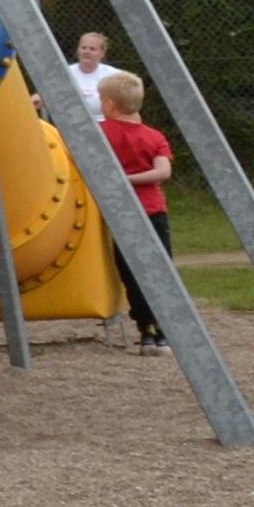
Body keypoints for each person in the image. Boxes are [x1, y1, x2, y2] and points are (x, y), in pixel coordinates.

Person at [97, 70, 179, 353]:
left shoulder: (100, 132)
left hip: (121, 212)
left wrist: (120, 180)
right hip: (154, 210)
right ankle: (166, 331)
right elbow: (162, 171)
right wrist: (135, 178)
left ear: (110, 105)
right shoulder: (154, 136)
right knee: (160, 269)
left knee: (132, 272)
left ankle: (146, 331)